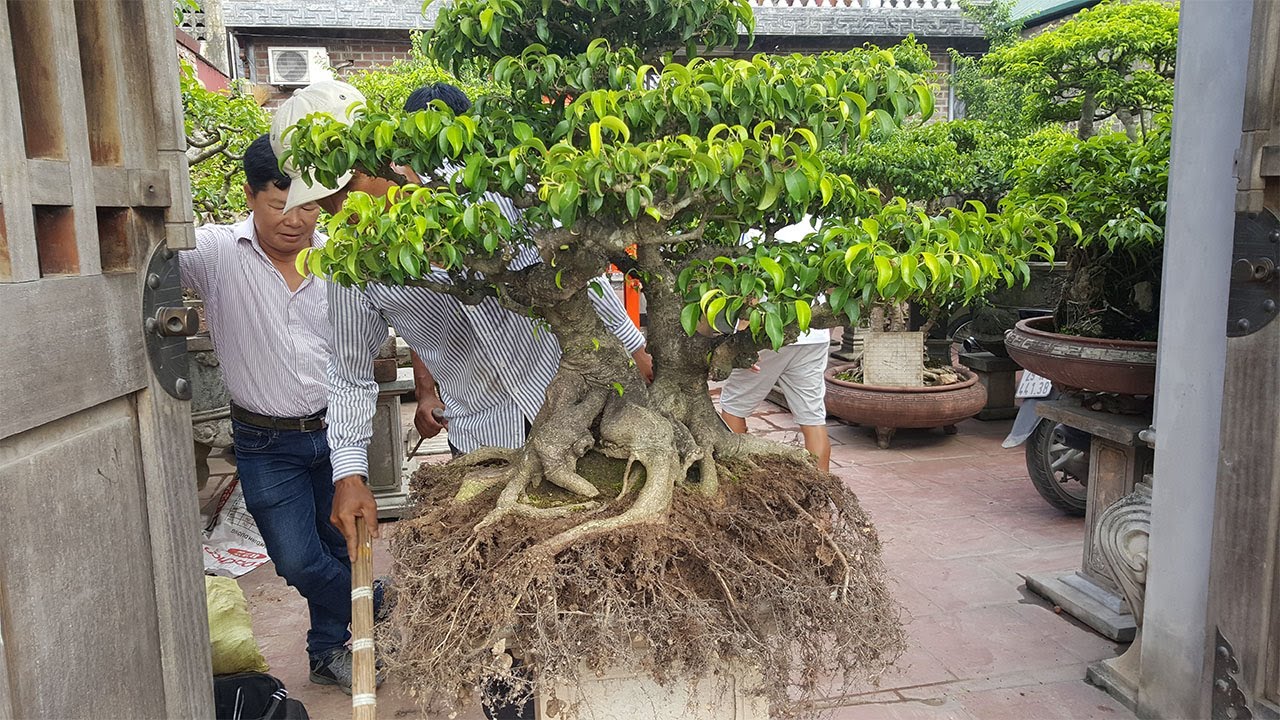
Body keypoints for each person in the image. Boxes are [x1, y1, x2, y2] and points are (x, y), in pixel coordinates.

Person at [267, 80, 652, 556]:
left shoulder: (488, 187)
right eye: (325, 203)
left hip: (582, 417)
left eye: (349, 188)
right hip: (483, 439)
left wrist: (632, 346)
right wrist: (348, 470)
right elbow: (348, 374)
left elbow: (578, 279)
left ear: (382, 153)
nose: (345, 211)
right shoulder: (352, 266)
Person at [179, 134, 369, 693]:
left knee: (339, 544)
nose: (296, 220)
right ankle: (377, 604)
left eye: (308, 205)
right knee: (296, 558)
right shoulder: (215, 254)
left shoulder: (340, 257)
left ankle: (329, 650)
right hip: (265, 441)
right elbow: (148, 255)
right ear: (250, 196)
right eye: (278, 205)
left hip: (338, 430)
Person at [718, 220, 832, 472]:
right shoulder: (823, 223)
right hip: (814, 333)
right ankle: (823, 494)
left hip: (768, 332)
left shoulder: (758, 226)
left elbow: (752, 290)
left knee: (733, 407)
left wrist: (743, 340)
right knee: (813, 418)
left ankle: (739, 480)